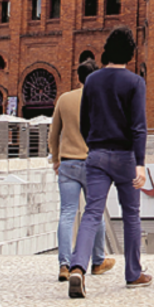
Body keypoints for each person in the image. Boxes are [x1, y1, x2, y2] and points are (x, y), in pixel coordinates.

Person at [68, 27, 151, 299]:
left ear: (106, 50)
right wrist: (140, 163)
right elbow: (139, 127)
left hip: (97, 155)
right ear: (130, 53)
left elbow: (84, 123)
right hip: (126, 156)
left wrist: (94, 147)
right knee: (131, 215)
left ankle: (78, 267)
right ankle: (133, 273)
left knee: (92, 211)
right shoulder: (135, 82)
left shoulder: (91, 81)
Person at [48, 59, 115, 283]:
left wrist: (56, 159)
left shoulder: (64, 99)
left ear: (78, 78)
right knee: (94, 212)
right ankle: (97, 261)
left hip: (67, 163)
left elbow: (53, 134)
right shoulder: (103, 100)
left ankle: (64, 265)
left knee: (67, 213)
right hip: (94, 164)